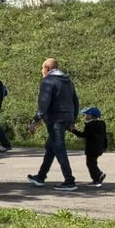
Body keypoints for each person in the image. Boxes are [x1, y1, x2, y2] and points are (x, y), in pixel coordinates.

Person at [26, 58, 80, 191]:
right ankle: (40, 177)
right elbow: (75, 101)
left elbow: (44, 102)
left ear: (47, 68)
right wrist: (72, 120)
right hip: (66, 117)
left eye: (42, 68)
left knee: (59, 148)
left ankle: (69, 181)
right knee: (51, 148)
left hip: (56, 118)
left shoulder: (48, 81)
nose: (41, 71)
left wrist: (36, 120)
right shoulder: (68, 81)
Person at [68, 106, 108, 188]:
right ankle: (96, 179)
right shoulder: (102, 124)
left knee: (90, 163)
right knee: (93, 162)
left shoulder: (90, 125)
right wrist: (105, 146)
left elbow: (83, 135)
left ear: (92, 115)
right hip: (100, 147)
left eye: (87, 115)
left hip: (91, 148)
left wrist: (73, 130)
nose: (86, 116)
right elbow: (105, 136)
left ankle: (98, 175)